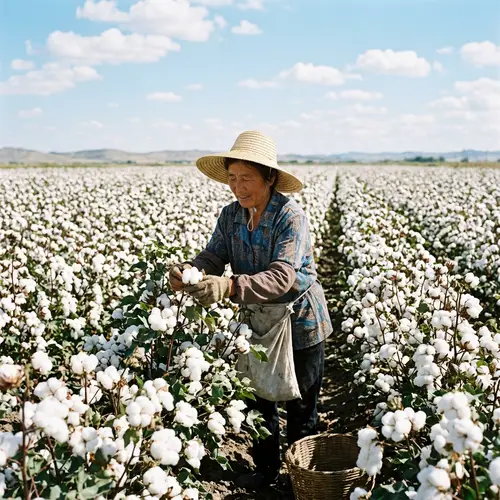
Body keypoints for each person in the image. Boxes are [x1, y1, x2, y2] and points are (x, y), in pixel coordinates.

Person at [169, 130, 333, 488]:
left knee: (301, 407)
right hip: (258, 322)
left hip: (300, 324)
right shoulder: (230, 216)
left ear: (269, 178)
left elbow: (283, 278)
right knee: (260, 400)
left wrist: (229, 286)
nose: (238, 187)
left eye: (247, 178)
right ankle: (266, 471)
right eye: (232, 178)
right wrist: (191, 270)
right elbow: (215, 254)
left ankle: (301, 479)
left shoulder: (290, 218)